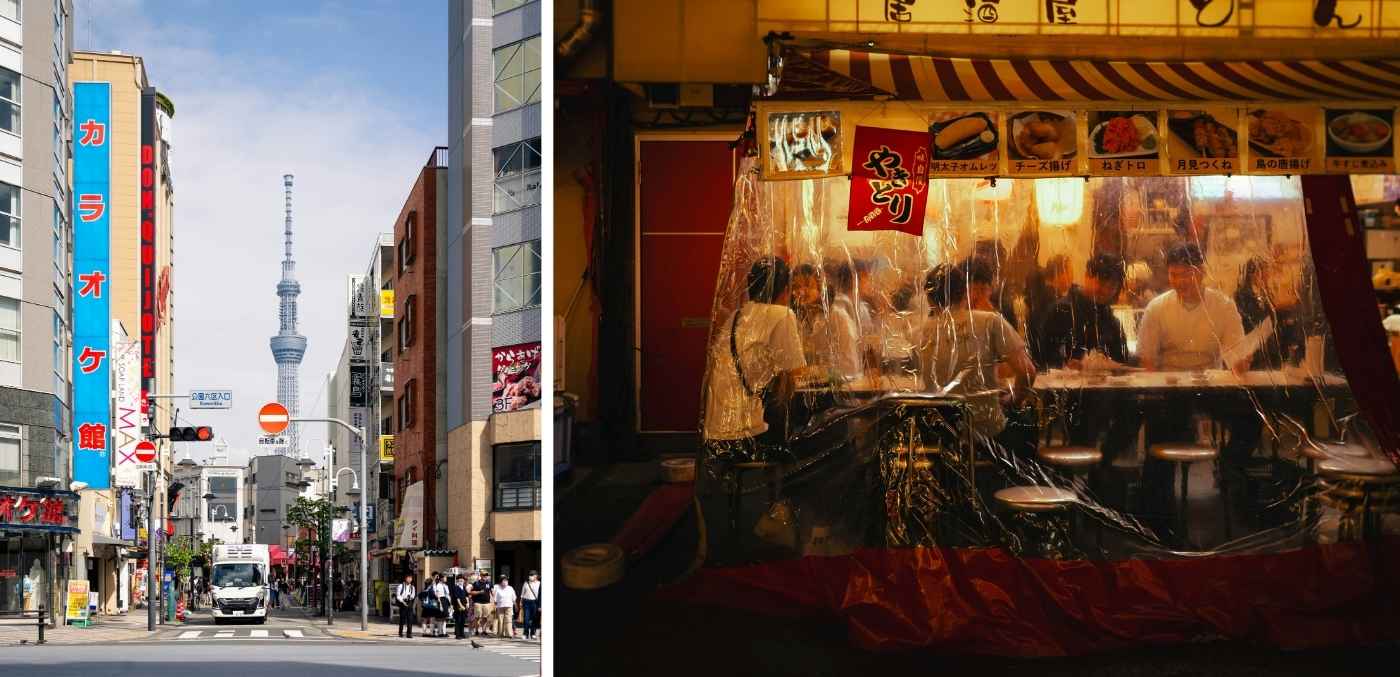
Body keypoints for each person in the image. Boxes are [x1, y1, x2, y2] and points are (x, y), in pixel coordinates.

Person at [1136, 242, 1259, 526]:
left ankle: (1228, 469)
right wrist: (1159, 387)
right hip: (1170, 388)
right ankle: (1159, 510)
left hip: (1210, 384)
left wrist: (1242, 361)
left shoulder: (1223, 305)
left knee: (1249, 420)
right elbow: (1148, 359)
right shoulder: (1158, 307)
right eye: (1173, 275)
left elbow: (1236, 354)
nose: (1179, 282)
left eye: (1185, 274)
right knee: (1163, 427)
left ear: (1200, 272)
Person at [918, 263, 1037, 449]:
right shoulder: (988, 321)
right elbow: (1028, 371)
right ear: (965, 291)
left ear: (930, 299)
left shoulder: (920, 332)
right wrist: (1015, 400)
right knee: (1029, 419)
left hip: (942, 436)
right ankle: (1017, 477)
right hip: (989, 434)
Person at [701, 257, 807, 458]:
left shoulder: (738, 315)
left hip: (715, 430)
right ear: (785, 288)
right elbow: (796, 370)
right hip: (745, 433)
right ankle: (783, 486)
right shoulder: (782, 314)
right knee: (811, 430)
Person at [1234, 256, 1303, 369]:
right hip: (1252, 352)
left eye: (1267, 273)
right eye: (1264, 273)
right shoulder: (1241, 295)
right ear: (1254, 274)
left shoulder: (1265, 294)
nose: (1267, 276)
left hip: (1270, 351)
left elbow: (1272, 318)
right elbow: (1250, 321)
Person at [470, 571, 493, 637]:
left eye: (486, 575)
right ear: (481, 575)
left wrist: (493, 600)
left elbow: (492, 592)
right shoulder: (476, 583)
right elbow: (471, 592)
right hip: (478, 603)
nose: (485, 576)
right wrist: (479, 592)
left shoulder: (489, 583)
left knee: (485, 618)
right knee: (477, 617)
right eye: (484, 575)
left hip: (487, 603)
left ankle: (484, 631)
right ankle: (476, 631)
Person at [394, 573, 417, 638]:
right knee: (402, 619)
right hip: (402, 603)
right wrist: (403, 602)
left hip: (409, 603)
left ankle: (409, 633)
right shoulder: (400, 586)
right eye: (408, 578)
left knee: (410, 619)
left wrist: (410, 598)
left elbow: (413, 595)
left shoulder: (412, 587)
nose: (410, 579)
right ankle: (400, 632)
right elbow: (398, 596)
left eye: (411, 578)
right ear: (405, 578)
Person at [520, 571, 541, 640]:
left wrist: (540, 605)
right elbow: (522, 593)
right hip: (526, 602)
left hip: (535, 602)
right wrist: (521, 602)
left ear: (536, 576)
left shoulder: (539, 583)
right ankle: (525, 633)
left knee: (534, 619)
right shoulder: (526, 583)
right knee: (526, 618)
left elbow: (540, 595)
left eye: (532, 575)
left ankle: (532, 633)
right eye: (530, 575)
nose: (530, 576)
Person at [451, 574, 470, 640]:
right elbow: (457, 598)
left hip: (464, 606)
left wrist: (467, 603)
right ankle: (457, 635)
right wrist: (461, 605)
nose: (461, 580)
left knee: (463, 620)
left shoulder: (463, 587)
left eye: (462, 579)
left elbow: (467, 596)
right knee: (458, 620)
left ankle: (462, 633)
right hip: (458, 606)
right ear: (457, 580)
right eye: (459, 579)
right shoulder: (456, 587)